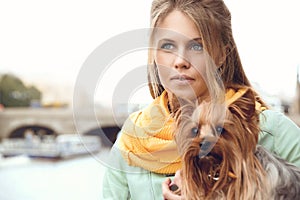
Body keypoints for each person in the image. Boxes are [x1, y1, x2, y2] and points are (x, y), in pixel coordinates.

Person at [101, 0, 300, 199]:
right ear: (153, 53)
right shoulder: (131, 142)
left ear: (223, 53)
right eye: (168, 46)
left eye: (197, 46)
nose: (180, 61)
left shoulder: (275, 132)